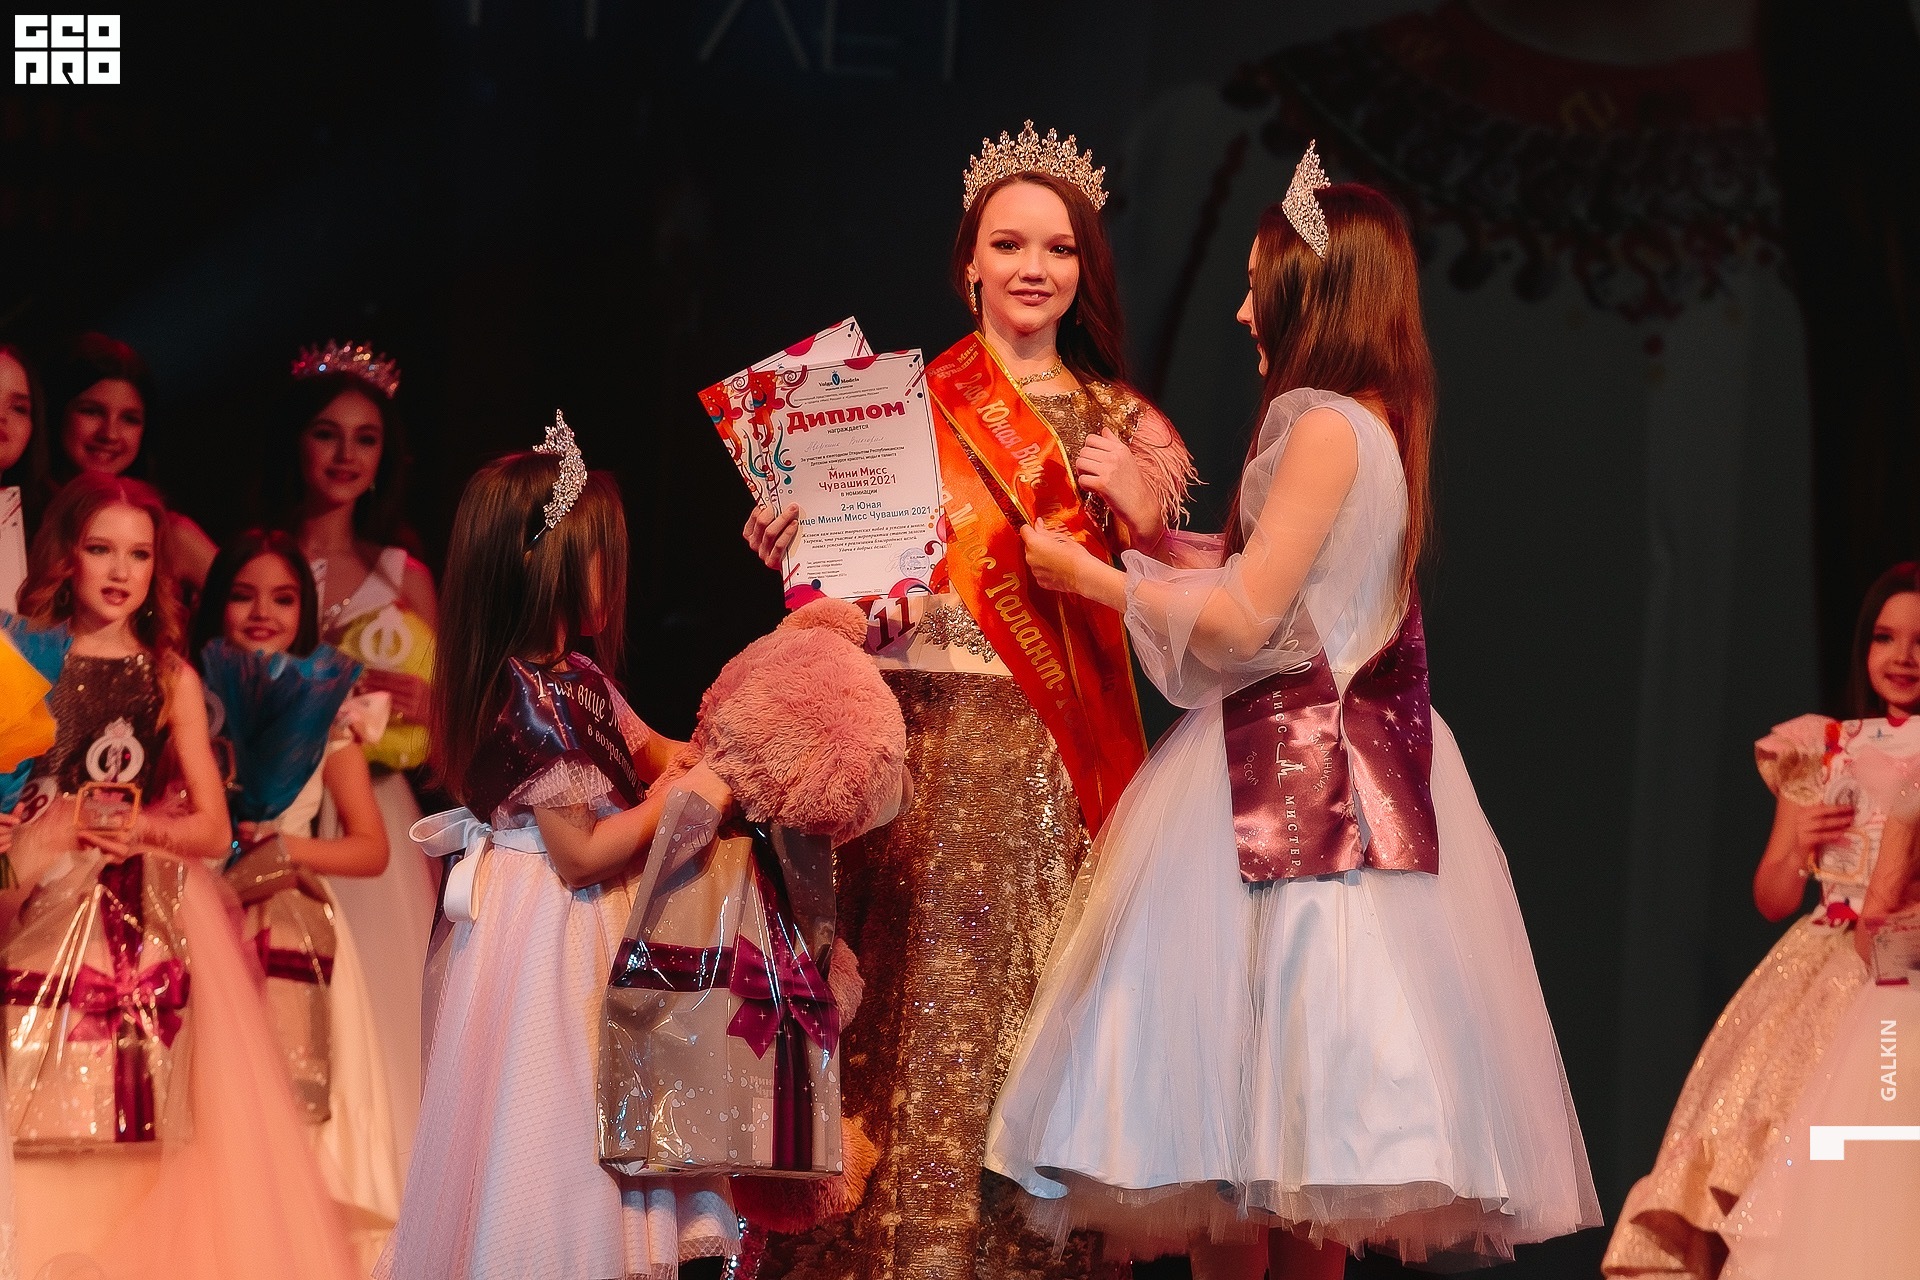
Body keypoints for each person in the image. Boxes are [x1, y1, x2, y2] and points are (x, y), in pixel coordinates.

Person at [983, 148, 1600, 1277]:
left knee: (1247, 1156)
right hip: (1337, 774)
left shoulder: (1321, 426)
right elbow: (1289, 598)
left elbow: (1242, 623)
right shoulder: (1379, 424)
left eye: (1256, 285)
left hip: (1293, 782)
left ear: (1311, 295)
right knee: (1296, 1159)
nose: (1239, 310)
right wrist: (1158, 539)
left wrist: (1096, 578)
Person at [745, 122, 1196, 1280]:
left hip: (1050, 766)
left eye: (1059, 246)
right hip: (913, 756)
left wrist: (1147, 522)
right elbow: (852, 601)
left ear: (1085, 267)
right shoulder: (891, 408)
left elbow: (1181, 624)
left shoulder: (1128, 426)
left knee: (1021, 1025)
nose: (1033, 266)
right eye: (1009, 243)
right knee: (892, 1024)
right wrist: (796, 549)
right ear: (969, 263)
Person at [378, 417, 738, 1279]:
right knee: (556, 1113)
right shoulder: (527, 698)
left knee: (604, 1100)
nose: (616, 571)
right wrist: (686, 800)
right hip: (547, 925)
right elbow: (580, 852)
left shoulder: (579, 678)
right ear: (549, 564)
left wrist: (726, 746)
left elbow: (654, 750)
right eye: (600, 552)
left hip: (588, 916)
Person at [0, 471, 358, 1280]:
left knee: (142, 1119)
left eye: (138, 554)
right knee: (26, 1101)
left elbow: (213, 828)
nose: (120, 571)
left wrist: (139, 828)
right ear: (66, 555)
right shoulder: (22, 659)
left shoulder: (168, 676)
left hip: (138, 911)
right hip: (32, 894)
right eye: (101, 549)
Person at [1603, 562, 1920, 1278]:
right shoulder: (1821, 747)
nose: (1902, 657)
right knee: (1766, 1133)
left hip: (1900, 965)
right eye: (1884, 637)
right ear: (1864, 648)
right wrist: (1801, 846)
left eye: (1919, 641)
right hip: (1819, 965)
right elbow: (1773, 896)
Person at [194, 528, 407, 1266]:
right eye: (243, 595)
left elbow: (371, 847)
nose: (262, 613)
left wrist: (284, 848)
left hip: (293, 921)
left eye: (283, 599)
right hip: (201, 915)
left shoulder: (326, 708)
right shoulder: (189, 697)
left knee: (300, 1113)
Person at [264, 339, 439, 1156]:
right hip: (282, 802)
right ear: (296, 442)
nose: (345, 455)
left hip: (378, 811)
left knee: (379, 1000)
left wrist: (426, 707)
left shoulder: (405, 574)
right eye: (326, 433)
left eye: (365, 438)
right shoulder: (259, 562)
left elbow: (446, 733)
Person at [43, 332, 217, 593]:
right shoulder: (17, 519)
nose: (110, 434)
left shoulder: (170, 535)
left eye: (129, 419)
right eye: (92, 411)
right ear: (57, 414)